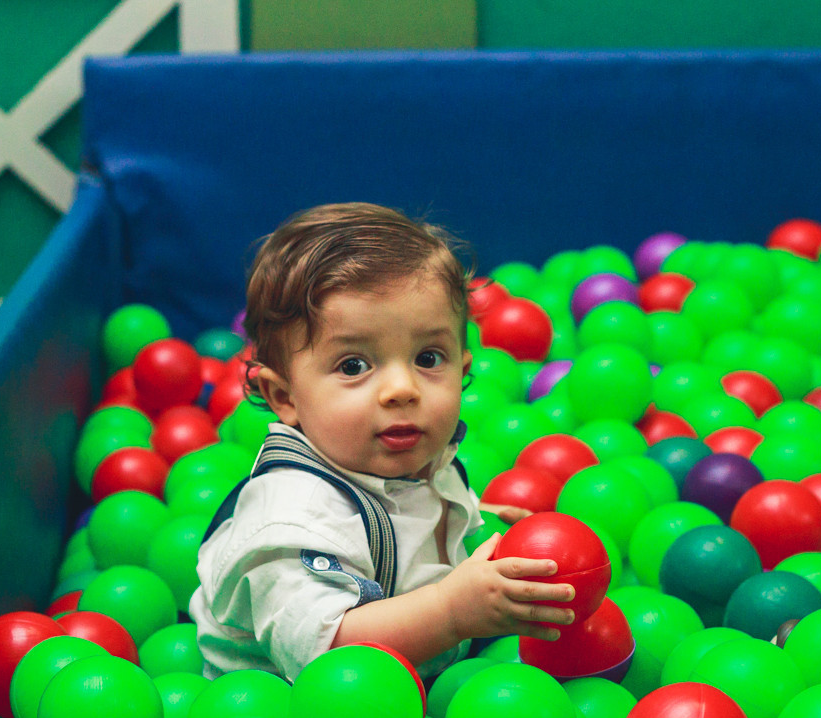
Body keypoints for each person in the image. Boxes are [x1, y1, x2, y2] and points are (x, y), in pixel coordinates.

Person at [190, 202, 574, 682]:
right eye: (354, 366)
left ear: (463, 368)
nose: (402, 389)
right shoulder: (292, 521)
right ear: (285, 397)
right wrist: (452, 611)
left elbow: (404, 510)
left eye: (428, 358)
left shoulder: (406, 454)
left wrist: (472, 519)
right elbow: (327, 656)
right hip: (290, 707)